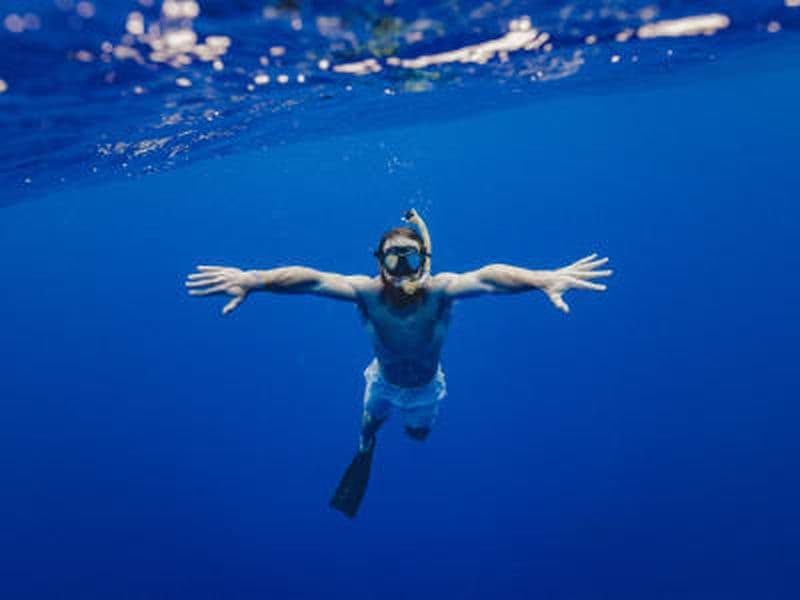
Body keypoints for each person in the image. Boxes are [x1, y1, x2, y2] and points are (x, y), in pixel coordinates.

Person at [185, 210, 612, 517]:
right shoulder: (367, 292)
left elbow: (490, 276)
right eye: (393, 259)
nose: (402, 269)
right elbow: (309, 278)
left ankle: (401, 430)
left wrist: (541, 279)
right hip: (382, 381)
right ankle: (366, 449)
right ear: (379, 264)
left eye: (411, 259)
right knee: (369, 428)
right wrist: (254, 280)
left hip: (427, 388)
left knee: (418, 433)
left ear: (423, 263)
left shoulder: (442, 290)